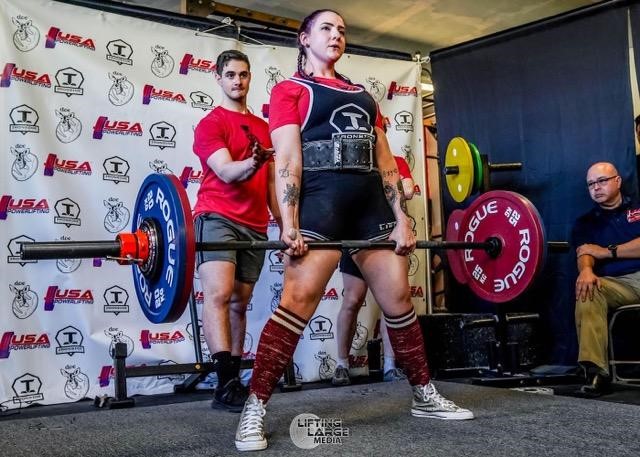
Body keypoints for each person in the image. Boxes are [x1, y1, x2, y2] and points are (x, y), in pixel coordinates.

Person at [234, 10, 473, 452]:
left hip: (370, 210)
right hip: (320, 209)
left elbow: (386, 163)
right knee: (296, 303)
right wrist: (289, 225)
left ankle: (423, 394)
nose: (336, 35)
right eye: (326, 28)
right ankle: (255, 407)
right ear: (304, 38)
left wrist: (402, 218)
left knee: (399, 300)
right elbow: (286, 160)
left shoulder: (362, 95)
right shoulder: (290, 91)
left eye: (342, 30)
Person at [192, 50, 280, 412]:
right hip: (217, 217)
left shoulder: (264, 128)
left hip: (255, 225)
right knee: (218, 295)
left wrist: (288, 227)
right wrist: (254, 160)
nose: (237, 81)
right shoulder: (210, 124)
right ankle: (225, 382)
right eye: (230, 75)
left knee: (239, 304)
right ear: (218, 78)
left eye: (243, 75)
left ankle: (235, 381)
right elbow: (228, 172)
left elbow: (273, 184)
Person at [332, 155, 415, 386]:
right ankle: (341, 365)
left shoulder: (397, 160)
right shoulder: (355, 160)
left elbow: (407, 190)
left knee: (393, 305)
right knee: (352, 300)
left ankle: (390, 365)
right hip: (357, 236)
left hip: (388, 237)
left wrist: (394, 183)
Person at [572, 161, 640, 397]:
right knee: (588, 290)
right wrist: (587, 271)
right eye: (591, 184)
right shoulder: (586, 223)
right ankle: (595, 373)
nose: (596, 188)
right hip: (622, 284)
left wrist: (608, 251)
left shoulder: (638, 207)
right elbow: (585, 252)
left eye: (602, 181)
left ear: (618, 181)